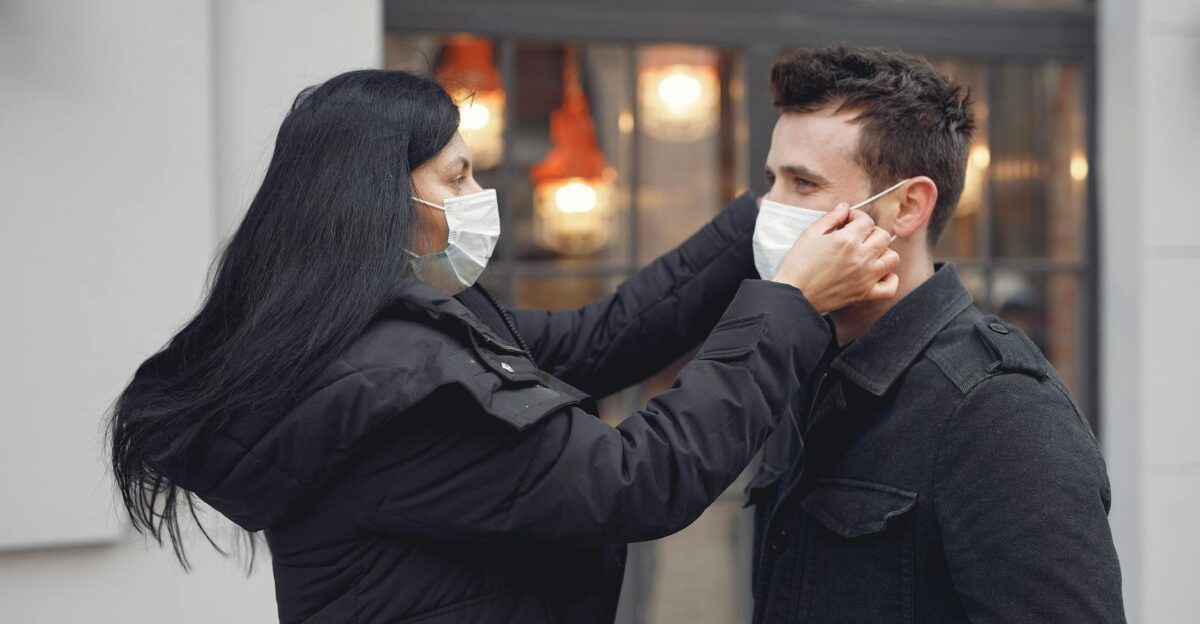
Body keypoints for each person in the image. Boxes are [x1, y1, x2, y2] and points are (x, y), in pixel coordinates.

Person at [107, 69, 899, 623]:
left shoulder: (387, 335)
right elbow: (637, 482)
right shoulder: (396, 386)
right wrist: (789, 303)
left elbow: (602, 339)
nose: (477, 196)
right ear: (384, 200)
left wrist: (763, 218)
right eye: (455, 177)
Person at [746, 45, 1125, 624]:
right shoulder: (805, 364)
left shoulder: (1000, 412)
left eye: (803, 184)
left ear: (906, 207)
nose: (770, 207)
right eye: (772, 179)